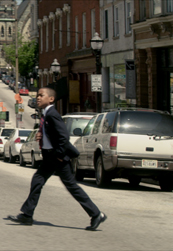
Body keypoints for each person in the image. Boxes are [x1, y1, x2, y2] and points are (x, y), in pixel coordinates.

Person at [7, 87, 107, 231]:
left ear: (51, 99)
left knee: (72, 186)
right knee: (37, 181)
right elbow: (53, 135)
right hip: (50, 156)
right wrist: (42, 136)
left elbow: (63, 137)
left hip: (57, 157)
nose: (38, 98)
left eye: (41, 95)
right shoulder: (46, 114)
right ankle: (27, 215)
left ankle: (97, 214)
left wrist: (60, 156)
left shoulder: (52, 114)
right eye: (37, 96)